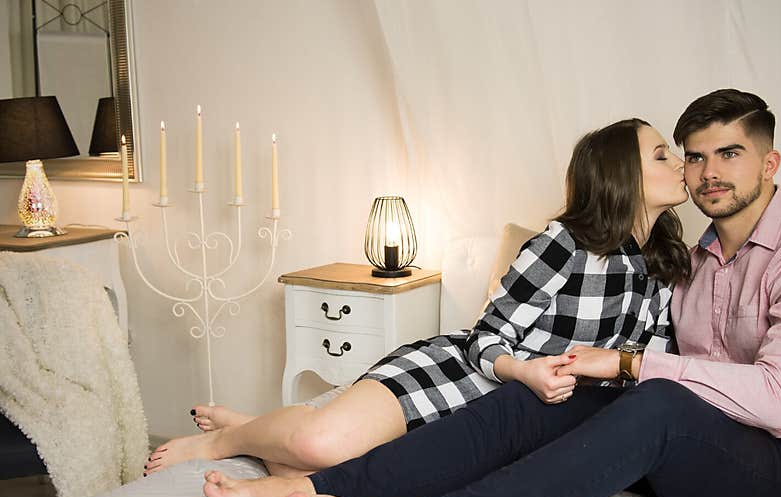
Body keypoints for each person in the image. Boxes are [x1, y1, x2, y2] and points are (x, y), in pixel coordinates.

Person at [202, 88, 781, 497]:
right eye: (694, 155)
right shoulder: (688, 261)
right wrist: (577, 372)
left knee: (654, 397)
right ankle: (309, 492)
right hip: (687, 436)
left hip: (778, 466)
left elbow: (778, 397)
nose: (706, 171)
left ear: (769, 163)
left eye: (730, 154)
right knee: (537, 402)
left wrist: (631, 364)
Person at [145, 117, 690, 478]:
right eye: (663, 155)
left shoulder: (664, 263)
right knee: (319, 448)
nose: (680, 164)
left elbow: (651, 363)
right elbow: (486, 337)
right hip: (459, 375)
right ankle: (226, 441)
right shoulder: (564, 245)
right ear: (622, 175)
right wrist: (527, 373)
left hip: (510, 423)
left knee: (312, 475)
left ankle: (255, 429)